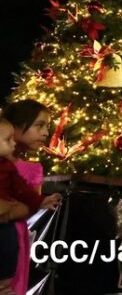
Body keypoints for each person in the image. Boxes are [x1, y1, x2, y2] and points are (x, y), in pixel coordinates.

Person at [1, 100, 62, 295]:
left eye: (47, 127)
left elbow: (29, 207)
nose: (45, 133)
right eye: (39, 125)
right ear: (15, 126)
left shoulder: (31, 169)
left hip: (16, 239)